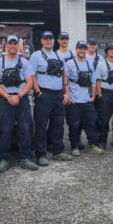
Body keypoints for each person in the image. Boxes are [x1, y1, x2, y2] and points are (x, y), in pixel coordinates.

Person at [0, 34, 38, 172]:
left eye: (15, 43)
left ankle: (26, 158)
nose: (12, 46)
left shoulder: (25, 62)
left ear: (18, 45)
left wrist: (19, 95)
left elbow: (30, 81)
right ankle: (3, 159)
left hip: (21, 99)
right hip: (5, 100)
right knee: (5, 130)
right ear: (6, 45)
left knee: (25, 129)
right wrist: (7, 96)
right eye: (10, 43)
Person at [29, 31, 71, 166]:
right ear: (41, 41)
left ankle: (58, 151)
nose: (48, 41)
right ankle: (40, 154)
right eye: (45, 39)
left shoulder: (59, 55)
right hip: (44, 94)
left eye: (51, 39)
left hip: (58, 94)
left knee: (58, 124)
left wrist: (66, 93)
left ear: (54, 41)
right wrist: (37, 91)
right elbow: (32, 76)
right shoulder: (36, 56)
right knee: (41, 125)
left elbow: (65, 76)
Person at [65, 41, 103, 155]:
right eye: (80, 48)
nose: (82, 50)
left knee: (91, 122)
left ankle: (93, 145)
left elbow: (93, 82)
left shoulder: (89, 64)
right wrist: (68, 95)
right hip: (74, 101)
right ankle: (75, 146)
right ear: (76, 50)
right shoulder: (69, 64)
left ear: (86, 50)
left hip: (86, 100)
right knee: (74, 124)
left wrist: (92, 96)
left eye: (84, 48)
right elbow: (65, 81)